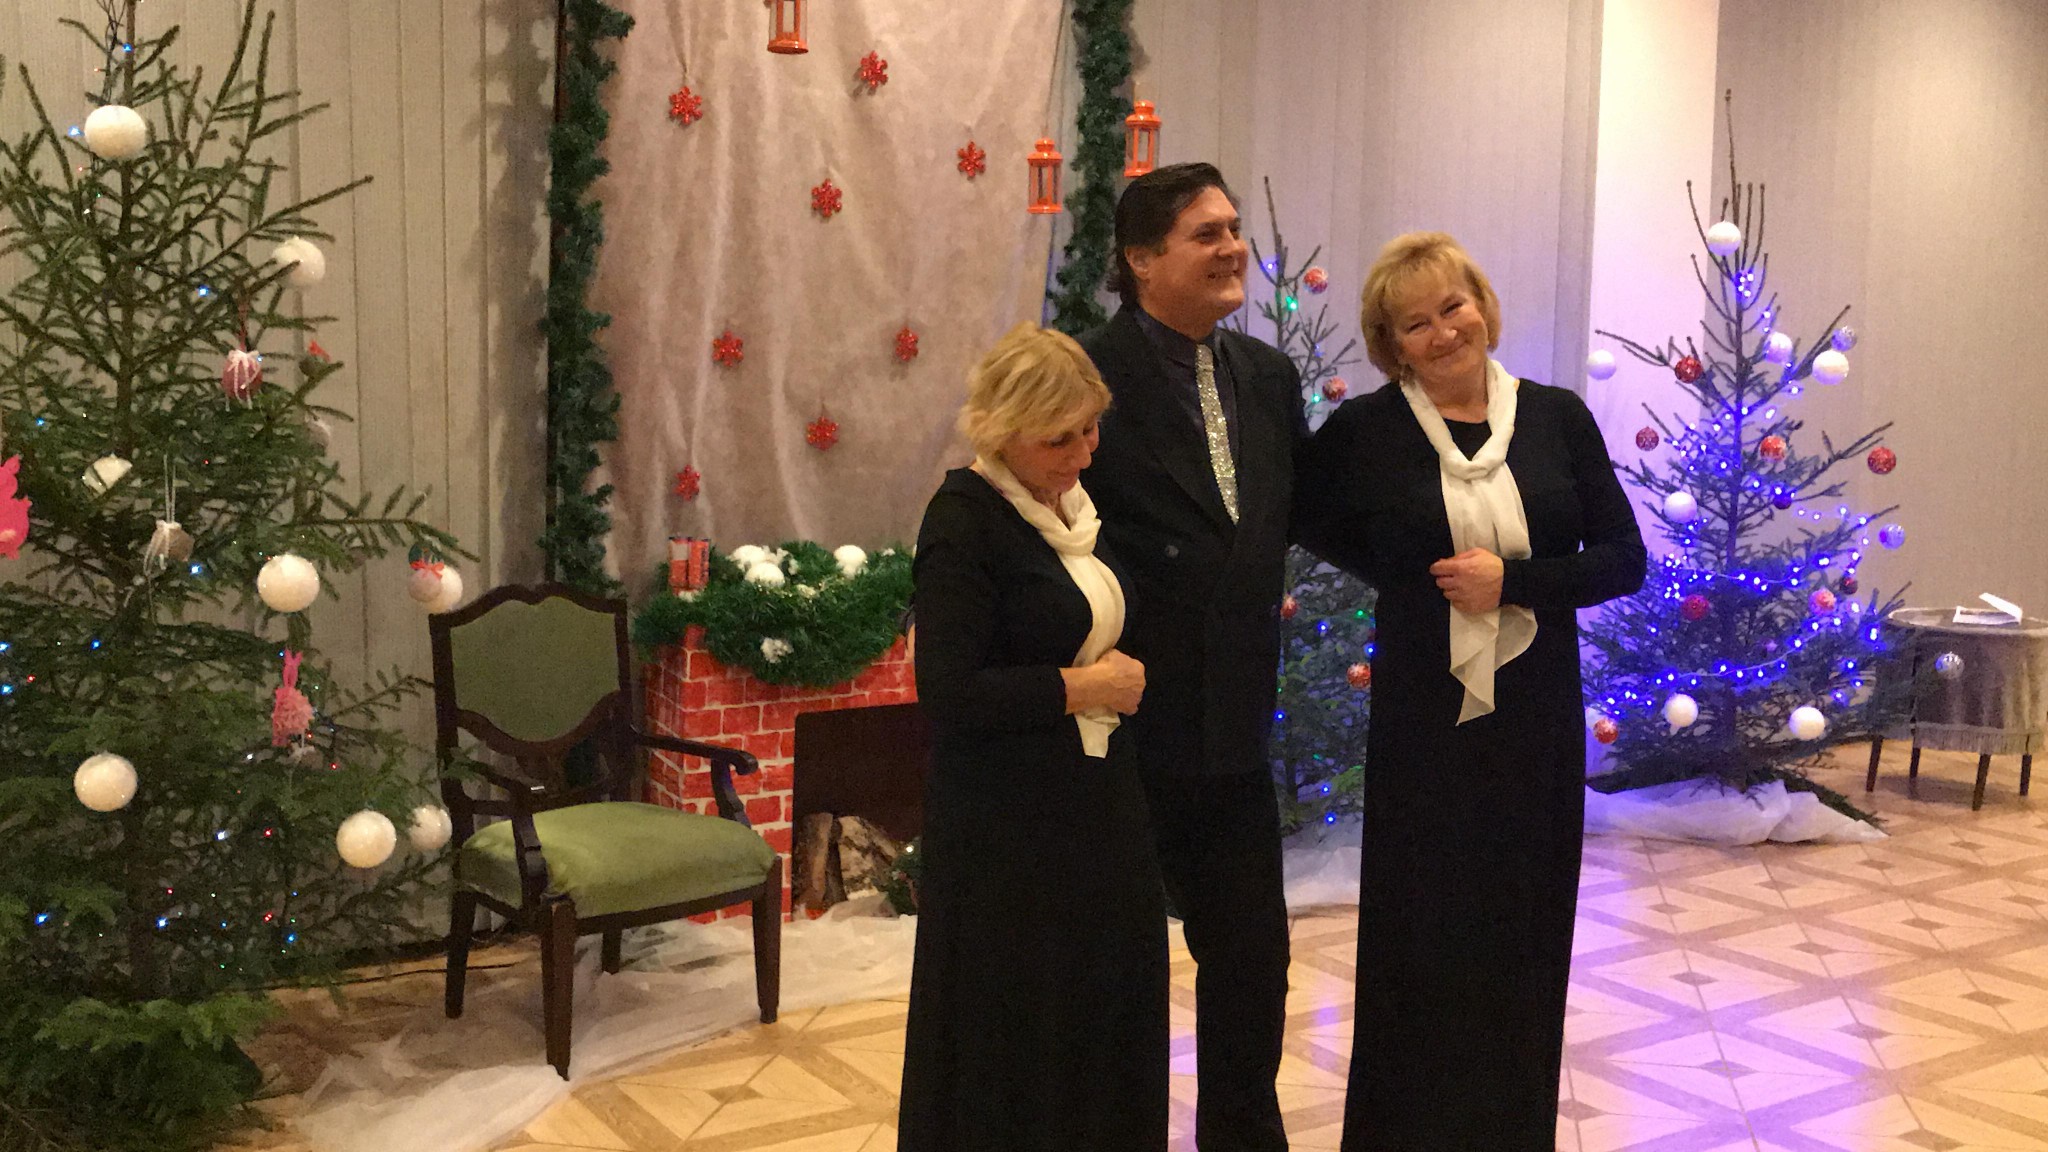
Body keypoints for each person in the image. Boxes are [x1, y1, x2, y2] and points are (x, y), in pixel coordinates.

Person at [1295, 232, 1647, 1150]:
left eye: (1453, 307)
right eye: (1416, 324)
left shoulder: (1557, 417)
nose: (1444, 331)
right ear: (1392, 345)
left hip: (1535, 721)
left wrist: (1513, 584)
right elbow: (1305, 515)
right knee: (1421, 937)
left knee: (1523, 934)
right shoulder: (1368, 432)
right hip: (1425, 723)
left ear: (1482, 306)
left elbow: (1624, 559)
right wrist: (1408, 577)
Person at [1080, 162, 1306, 1151]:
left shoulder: (1266, 376)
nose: (1231, 249)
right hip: (1125, 722)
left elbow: (1306, 510)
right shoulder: (1089, 377)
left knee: (1252, 956)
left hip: (1233, 722)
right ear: (1140, 260)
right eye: (1205, 234)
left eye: (1232, 229)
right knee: (1119, 966)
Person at [898, 323, 1167, 1151]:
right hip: (1005, 826)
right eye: (1060, 438)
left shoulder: (1075, 509)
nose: (1083, 453)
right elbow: (948, 692)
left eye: (1091, 429)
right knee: (1016, 1026)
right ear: (1002, 429)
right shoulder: (965, 520)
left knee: (1103, 1004)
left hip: (1096, 803)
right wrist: (1086, 687)